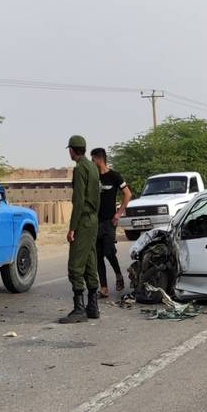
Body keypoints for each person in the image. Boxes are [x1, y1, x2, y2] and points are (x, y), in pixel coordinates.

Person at [59, 135, 101, 323]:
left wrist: (72, 228)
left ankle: (79, 309)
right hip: (93, 219)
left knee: (75, 265)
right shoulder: (93, 167)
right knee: (90, 261)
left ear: (72, 150)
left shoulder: (79, 169)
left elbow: (78, 201)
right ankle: (93, 307)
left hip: (83, 220)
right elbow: (97, 197)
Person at [90, 148, 131, 298]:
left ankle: (118, 275)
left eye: (93, 159)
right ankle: (104, 288)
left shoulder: (114, 176)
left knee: (109, 251)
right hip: (95, 222)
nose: (92, 162)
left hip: (109, 221)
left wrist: (119, 214)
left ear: (99, 159)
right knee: (98, 255)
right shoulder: (93, 178)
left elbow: (127, 194)